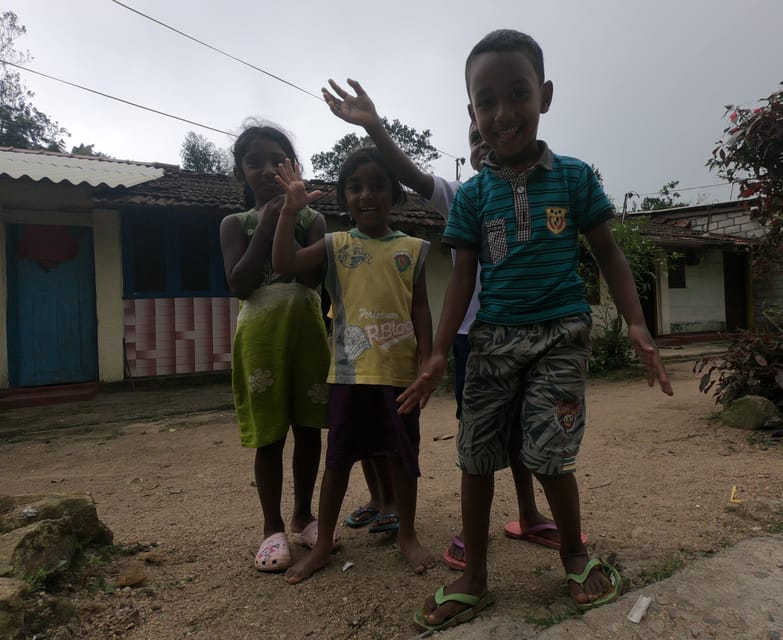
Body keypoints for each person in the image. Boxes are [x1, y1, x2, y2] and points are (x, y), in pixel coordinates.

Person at [397, 30, 674, 631]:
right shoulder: (471, 196)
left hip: (559, 335)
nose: (503, 113)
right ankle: (474, 576)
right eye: (486, 100)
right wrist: (440, 352)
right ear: (471, 111)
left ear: (544, 95)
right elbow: (463, 281)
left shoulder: (574, 178)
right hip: (493, 338)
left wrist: (636, 324)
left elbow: (609, 255)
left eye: (517, 93)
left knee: (550, 453)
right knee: (474, 456)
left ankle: (576, 554)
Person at [321, 78, 581, 569]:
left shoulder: (553, 183)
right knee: (481, 436)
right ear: (472, 143)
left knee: (533, 431)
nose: (485, 144)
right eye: (475, 139)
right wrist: (375, 127)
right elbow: (412, 177)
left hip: (538, 334)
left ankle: (529, 514)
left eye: (490, 137)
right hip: (472, 340)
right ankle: (472, 532)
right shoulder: (464, 194)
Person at [271, 147, 435, 582]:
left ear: (394, 195)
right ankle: (323, 544)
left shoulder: (412, 249)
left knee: (403, 458)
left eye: (378, 186)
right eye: (356, 187)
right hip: (348, 374)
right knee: (339, 461)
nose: (367, 195)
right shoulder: (334, 245)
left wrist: (430, 363)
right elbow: (283, 263)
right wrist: (290, 211)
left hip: (399, 376)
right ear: (344, 197)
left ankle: (408, 535)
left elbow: (421, 310)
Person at [219, 123, 332, 572]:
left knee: (308, 428)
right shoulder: (234, 225)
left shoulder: (313, 220)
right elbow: (241, 284)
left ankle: (304, 515)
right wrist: (266, 222)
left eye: (277, 161)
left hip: (306, 332)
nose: (267, 170)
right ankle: (272, 527)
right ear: (240, 172)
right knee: (269, 435)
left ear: (294, 168)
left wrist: (287, 215)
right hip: (260, 339)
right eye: (254, 162)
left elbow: (310, 278)